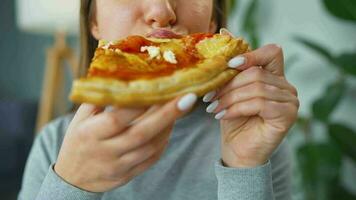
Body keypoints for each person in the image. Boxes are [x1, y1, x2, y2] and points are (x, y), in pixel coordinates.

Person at [18, 0, 299, 199]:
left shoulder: (257, 140)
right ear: (94, 21)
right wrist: (70, 184)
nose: (162, 11)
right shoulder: (54, 144)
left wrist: (244, 168)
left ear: (213, 21)